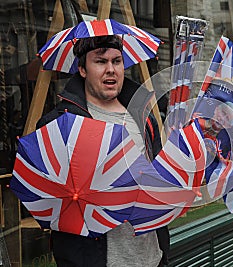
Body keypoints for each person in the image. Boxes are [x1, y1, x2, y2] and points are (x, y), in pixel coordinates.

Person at [37, 35, 169, 267]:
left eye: (116, 61)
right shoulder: (59, 125)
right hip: (94, 258)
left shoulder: (142, 114)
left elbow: (160, 174)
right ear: (82, 69)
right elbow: (48, 200)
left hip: (150, 257)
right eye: (100, 62)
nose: (111, 70)